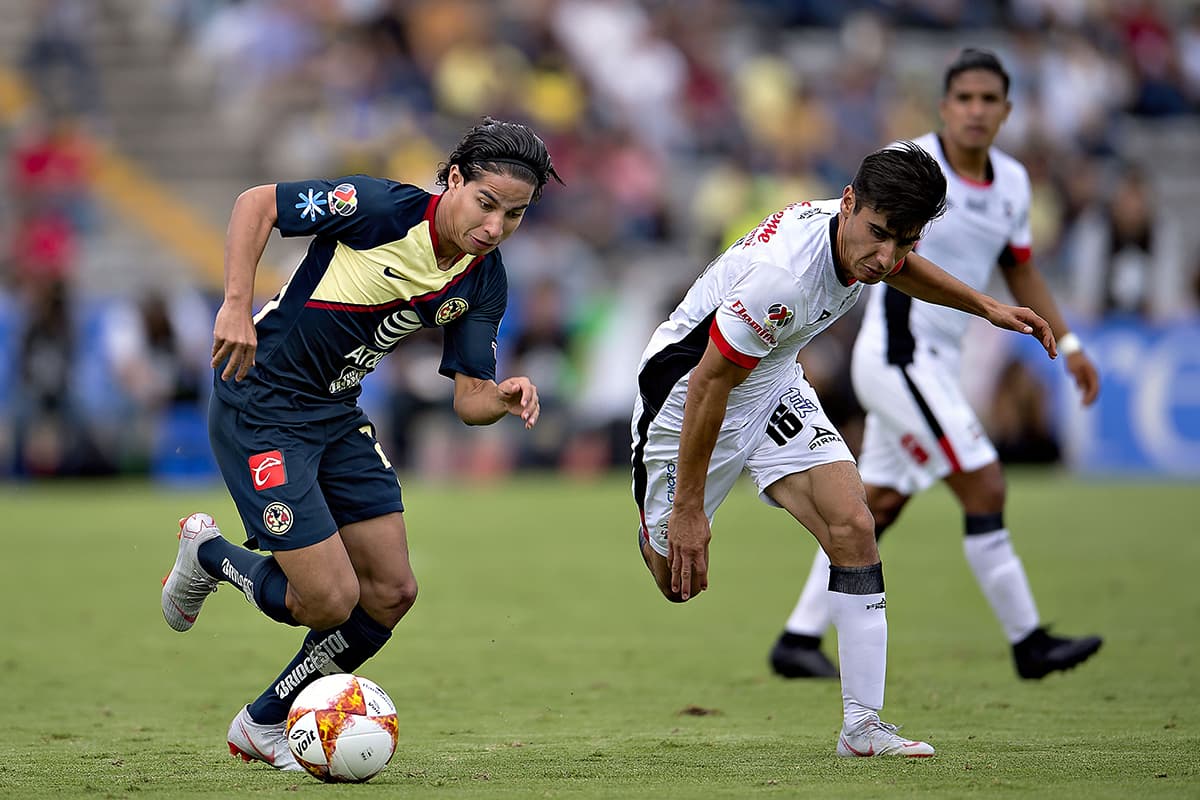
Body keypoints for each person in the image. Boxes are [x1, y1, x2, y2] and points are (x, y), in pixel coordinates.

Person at [632, 139, 1059, 759]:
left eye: (905, 242)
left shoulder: (863, 232)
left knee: (854, 524)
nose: (885, 258)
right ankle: (662, 521)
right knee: (676, 581)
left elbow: (899, 266)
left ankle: (863, 727)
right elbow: (709, 385)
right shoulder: (784, 278)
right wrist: (691, 509)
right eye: (880, 236)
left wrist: (985, 305)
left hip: (771, 378)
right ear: (850, 203)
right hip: (685, 394)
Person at [160, 117, 561, 771]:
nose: (494, 228)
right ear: (454, 180)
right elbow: (255, 204)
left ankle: (263, 723)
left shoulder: (484, 279)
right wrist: (235, 304)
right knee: (326, 601)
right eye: (486, 204)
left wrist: (503, 396)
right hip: (260, 403)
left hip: (336, 415)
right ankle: (208, 554)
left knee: (390, 592)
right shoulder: (376, 208)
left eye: (514, 216)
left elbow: (469, 399)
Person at [767, 49, 1103, 683]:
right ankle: (1028, 641)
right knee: (984, 482)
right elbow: (870, 248)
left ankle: (798, 637)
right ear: (944, 106)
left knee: (880, 503)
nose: (975, 111)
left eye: (989, 100)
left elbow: (1021, 264)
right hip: (901, 355)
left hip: (942, 359)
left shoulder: (1012, 183)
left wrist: (1072, 342)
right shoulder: (909, 170)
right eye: (964, 99)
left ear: (1007, 111)